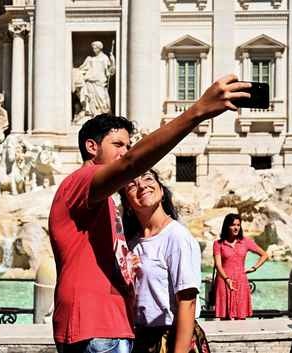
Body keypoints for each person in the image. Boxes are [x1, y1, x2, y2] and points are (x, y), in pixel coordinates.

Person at [49, 75, 252, 353]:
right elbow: (132, 164)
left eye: (128, 145)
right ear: (92, 147)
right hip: (96, 326)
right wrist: (198, 111)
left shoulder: (103, 202)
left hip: (109, 325)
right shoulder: (82, 180)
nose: (126, 152)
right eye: (118, 145)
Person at [119, 170, 207, 353]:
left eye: (148, 179)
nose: (142, 185)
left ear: (161, 190)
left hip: (172, 339)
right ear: (127, 203)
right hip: (142, 339)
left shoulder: (177, 236)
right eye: (132, 185)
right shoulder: (131, 244)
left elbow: (187, 301)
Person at [212, 213, 268, 320]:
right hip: (224, 282)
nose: (236, 227)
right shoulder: (218, 244)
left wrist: (254, 268)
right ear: (227, 226)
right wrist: (227, 279)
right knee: (225, 319)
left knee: (241, 318)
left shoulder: (245, 242)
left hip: (241, 282)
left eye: (238, 225)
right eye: (233, 225)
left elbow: (264, 255)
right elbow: (218, 265)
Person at [74, 41, 115, 120]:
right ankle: (92, 114)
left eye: (95, 48)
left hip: (100, 83)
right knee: (90, 99)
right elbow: (82, 69)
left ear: (99, 48)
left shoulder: (104, 58)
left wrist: (113, 61)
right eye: (93, 48)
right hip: (90, 82)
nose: (94, 50)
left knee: (102, 100)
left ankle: (102, 114)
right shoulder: (90, 59)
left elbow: (110, 72)